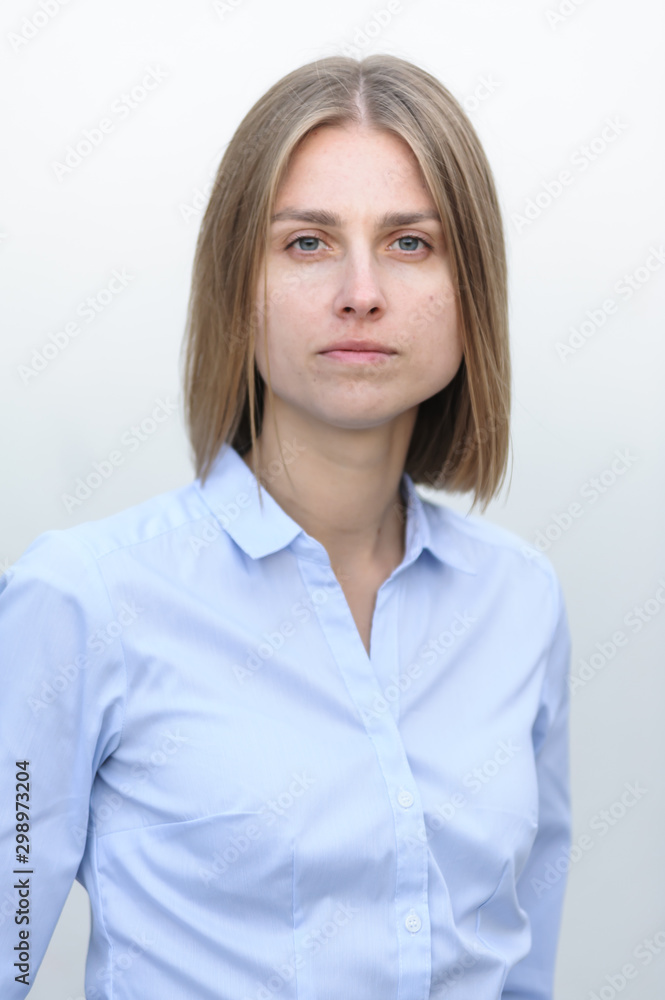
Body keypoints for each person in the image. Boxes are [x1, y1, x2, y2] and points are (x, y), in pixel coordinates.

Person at [0, 54, 571, 999]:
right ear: (237, 284)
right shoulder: (82, 601)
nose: (361, 291)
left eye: (411, 243)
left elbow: (523, 968)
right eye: (306, 243)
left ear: (471, 291)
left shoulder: (519, 601)